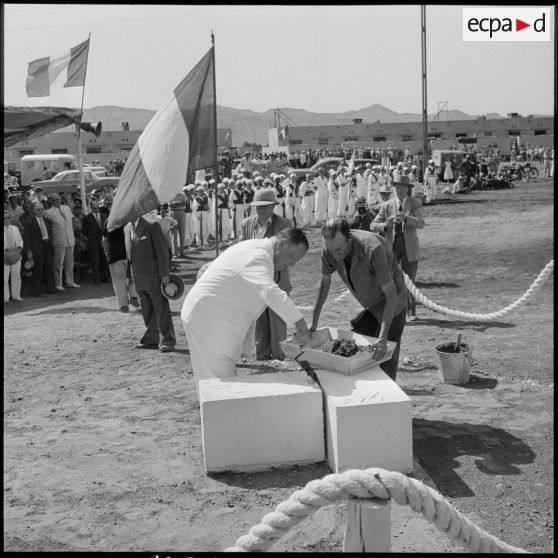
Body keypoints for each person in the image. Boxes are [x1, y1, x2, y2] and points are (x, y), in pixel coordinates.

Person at [181, 227, 311, 383]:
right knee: (220, 383)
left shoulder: (255, 249)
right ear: (281, 244)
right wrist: (300, 323)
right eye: (293, 257)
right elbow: (270, 291)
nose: (292, 264)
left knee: (215, 380)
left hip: (212, 318)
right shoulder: (259, 256)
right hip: (208, 320)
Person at [311, 218, 407, 382]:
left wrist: (383, 337)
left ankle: (386, 395)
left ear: (349, 239)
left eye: (339, 249)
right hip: (361, 304)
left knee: (384, 354)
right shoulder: (331, 247)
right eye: (331, 250)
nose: (334, 255)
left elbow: (391, 296)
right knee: (358, 354)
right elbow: (324, 283)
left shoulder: (373, 248)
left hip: (389, 302)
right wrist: (313, 322)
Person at [240, 188, 293, 360]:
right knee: (259, 320)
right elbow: (241, 249)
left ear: (273, 207)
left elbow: (286, 252)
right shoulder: (246, 224)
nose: (262, 210)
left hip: (277, 278)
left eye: (265, 207)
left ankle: (280, 357)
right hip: (255, 280)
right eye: (258, 207)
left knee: (277, 319)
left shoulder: (285, 224)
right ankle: (262, 356)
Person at [371, 175, 425, 321]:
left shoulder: (415, 204)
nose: (399, 190)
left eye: (402, 187)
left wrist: (406, 219)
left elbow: (421, 223)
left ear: (408, 189)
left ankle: (411, 312)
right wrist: (385, 225)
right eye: (397, 187)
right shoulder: (386, 205)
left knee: (410, 280)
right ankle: (394, 312)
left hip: (409, 246)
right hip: (391, 246)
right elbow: (373, 225)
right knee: (391, 280)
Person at [124, 213, 176, 353]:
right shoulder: (127, 228)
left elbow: (162, 252)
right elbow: (129, 254)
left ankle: (168, 340)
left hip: (154, 277)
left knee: (161, 309)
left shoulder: (152, 226)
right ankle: (152, 339)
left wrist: (165, 277)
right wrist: (128, 274)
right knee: (147, 311)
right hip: (138, 278)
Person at [102, 214, 140, 313]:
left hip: (114, 254)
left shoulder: (108, 220)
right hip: (129, 253)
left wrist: (106, 252)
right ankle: (134, 296)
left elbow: (104, 240)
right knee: (132, 276)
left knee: (118, 281)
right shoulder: (128, 218)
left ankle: (123, 305)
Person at [44, 193, 80, 291]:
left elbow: (73, 221)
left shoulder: (67, 208)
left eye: (58, 199)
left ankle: (70, 281)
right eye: (55, 200)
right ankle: (58, 283)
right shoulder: (48, 212)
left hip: (70, 238)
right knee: (58, 263)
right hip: (59, 240)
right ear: (51, 201)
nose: (57, 201)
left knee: (70, 262)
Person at [23, 203, 56, 297]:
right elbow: (27, 238)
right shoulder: (29, 222)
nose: (40, 211)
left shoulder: (47, 220)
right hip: (36, 248)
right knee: (38, 269)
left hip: (48, 246)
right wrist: (29, 251)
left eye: (42, 209)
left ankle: (50, 288)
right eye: (38, 209)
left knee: (49, 268)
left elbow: (51, 234)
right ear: (34, 211)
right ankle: (37, 291)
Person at [82, 199, 110, 285]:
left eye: (98, 208)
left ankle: (105, 278)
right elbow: (85, 231)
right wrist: (91, 237)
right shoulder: (87, 218)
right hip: (93, 241)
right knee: (95, 261)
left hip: (103, 240)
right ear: (91, 208)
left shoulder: (104, 216)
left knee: (105, 260)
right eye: (94, 208)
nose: (96, 210)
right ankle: (97, 280)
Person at [4, 209, 24, 302]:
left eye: (8, 218)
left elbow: (20, 240)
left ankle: (16, 296)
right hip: (5, 255)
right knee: (4, 278)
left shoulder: (15, 228)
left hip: (16, 254)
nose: (6, 220)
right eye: (4, 218)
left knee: (16, 276)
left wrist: (19, 248)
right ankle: (5, 297)